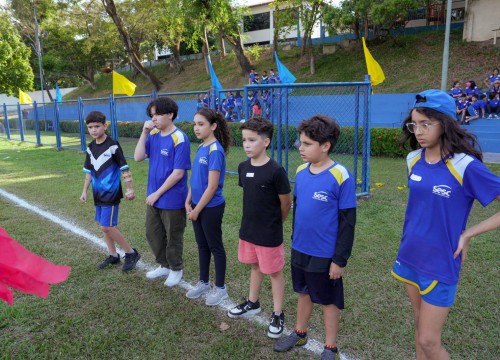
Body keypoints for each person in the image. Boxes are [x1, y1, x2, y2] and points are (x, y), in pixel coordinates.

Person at [393, 89, 500, 360]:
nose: (418, 131)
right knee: (419, 329)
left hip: (441, 261)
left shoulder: (465, 165)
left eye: (426, 124)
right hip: (409, 255)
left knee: (430, 341)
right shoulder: (413, 159)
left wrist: (468, 234)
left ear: (446, 123)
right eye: (414, 124)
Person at [274, 115, 357, 360]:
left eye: (307, 144)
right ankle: (300, 332)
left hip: (326, 253)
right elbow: (299, 209)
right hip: (301, 248)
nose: (301, 148)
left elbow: (347, 222)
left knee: (328, 299)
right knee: (303, 291)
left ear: (325, 145)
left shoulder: (341, 175)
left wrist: (339, 260)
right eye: (300, 142)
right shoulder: (300, 171)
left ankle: (331, 346)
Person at [227, 117, 292, 339]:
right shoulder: (243, 167)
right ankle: (252, 303)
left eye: (252, 140)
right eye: (244, 140)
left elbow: (286, 203)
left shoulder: (276, 171)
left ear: (265, 142)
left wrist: (276, 223)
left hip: (269, 233)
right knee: (255, 266)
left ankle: (277, 313)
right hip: (249, 230)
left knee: (274, 272)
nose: (246, 144)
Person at [134, 97, 191, 287]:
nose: (154, 119)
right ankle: (164, 265)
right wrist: (144, 133)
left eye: (157, 114)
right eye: (152, 115)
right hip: (154, 196)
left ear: (170, 115)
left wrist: (157, 193)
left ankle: (176, 268)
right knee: (153, 233)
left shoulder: (180, 138)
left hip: (171, 198)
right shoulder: (154, 135)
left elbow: (178, 173)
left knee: (173, 235)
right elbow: (138, 157)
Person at [80, 111, 141, 271]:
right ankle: (113, 255)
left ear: (105, 126)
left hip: (111, 194)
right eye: (90, 127)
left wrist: (129, 189)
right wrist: (84, 191)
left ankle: (131, 252)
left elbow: (125, 169)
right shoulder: (90, 147)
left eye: (97, 126)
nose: (93, 130)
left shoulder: (113, 145)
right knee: (103, 225)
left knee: (106, 227)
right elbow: (89, 172)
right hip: (97, 194)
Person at [185, 108, 232, 306]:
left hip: (210, 207)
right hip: (196, 205)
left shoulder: (215, 150)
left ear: (213, 126)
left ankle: (220, 288)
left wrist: (197, 210)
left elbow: (212, 187)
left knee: (215, 246)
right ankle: (203, 282)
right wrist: (188, 201)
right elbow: (196, 179)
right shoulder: (201, 147)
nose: (196, 128)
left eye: (201, 124)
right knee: (202, 245)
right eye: (195, 124)